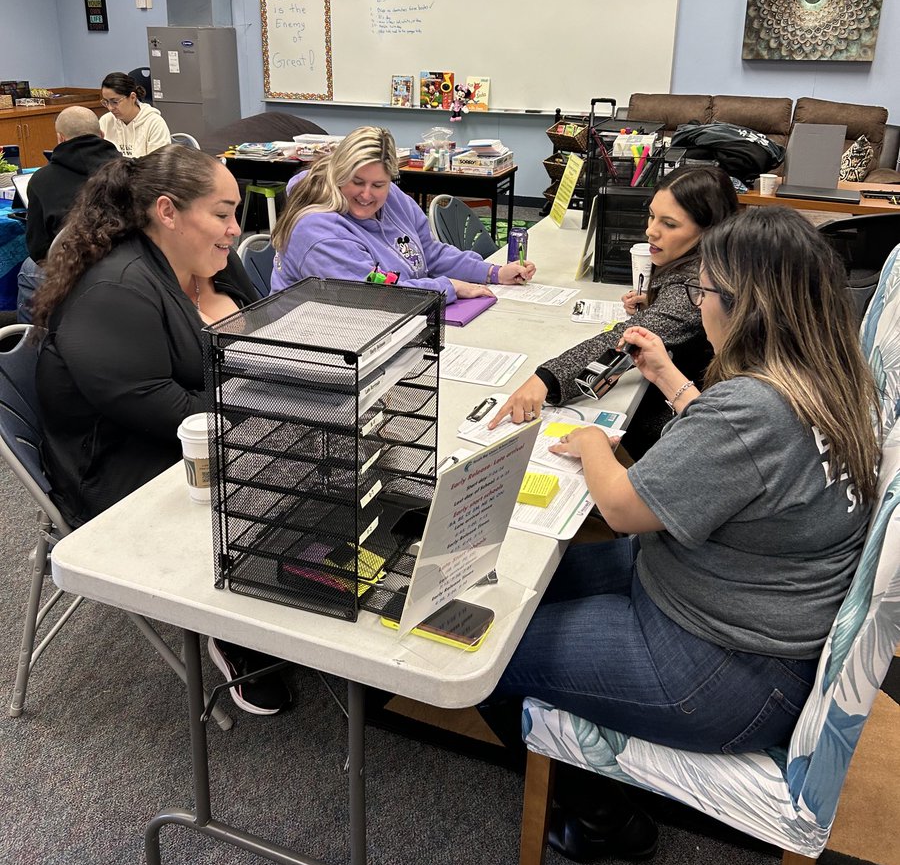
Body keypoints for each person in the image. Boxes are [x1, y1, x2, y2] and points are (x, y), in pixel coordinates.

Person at [488, 208, 880, 861]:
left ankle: (599, 817)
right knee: (520, 587)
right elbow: (749, 461)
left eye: (705, 291)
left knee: (491, 651)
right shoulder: (828, 379)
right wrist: (671, 379)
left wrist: (591, 444)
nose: (698, 305)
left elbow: (622, 508)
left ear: (747, 308)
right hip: (733, 612)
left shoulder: (750, 408)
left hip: (719, 669)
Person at [32, 145, 291, 716]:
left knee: (323, 454)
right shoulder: (116, 290)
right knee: (294, 469)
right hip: (127, 468)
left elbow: (270, 334)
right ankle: (233, 626)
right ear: (168, 211)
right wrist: (275, 409)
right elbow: (168, 412)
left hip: (193, 431)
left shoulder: (207, 263)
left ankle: (283, 584)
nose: (235, 228)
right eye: (222, 213)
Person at [490, 165, 738, 456]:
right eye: (652, 216)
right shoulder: (709, 263)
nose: (651, 231)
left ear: (709, 230)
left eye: (670, 224)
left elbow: (631, 337)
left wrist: (546, 378)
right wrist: (655, 304)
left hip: (676, 432)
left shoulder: (696, 284)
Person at [271, 126, 536, 299]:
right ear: (339, 175)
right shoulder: (316, 230)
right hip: (313, 343)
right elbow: (371, 294)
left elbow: (429, 252)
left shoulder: (392, 198)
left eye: (378, 185)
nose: (367, 195)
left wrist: (493, 272)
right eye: (357, 182)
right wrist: (448, 287)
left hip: (385, 323)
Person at [25, 105, 118, 262]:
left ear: (60, 138)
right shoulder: (131, 169)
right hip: (129, 262)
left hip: (70, 266)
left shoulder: (41, 180)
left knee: (27, 266)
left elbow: (38, 250)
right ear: (102, 135)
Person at [99, 71, 171, 158]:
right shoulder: (105, 121)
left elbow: (158, 163)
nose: (110, 108)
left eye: (115, 102)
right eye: (106, 102)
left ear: (132, 97)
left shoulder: (154, 123)